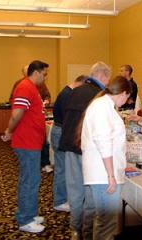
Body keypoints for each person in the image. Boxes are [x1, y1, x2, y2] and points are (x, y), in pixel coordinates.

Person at [59, 62, 111, 240]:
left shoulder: (75, 90)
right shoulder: (99, 95)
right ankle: (87, 231)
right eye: (108, 78)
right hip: (87, 149)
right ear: (103, 76)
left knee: (74, 190)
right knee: (90, 191)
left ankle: (75, 229)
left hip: (69, 145)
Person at [80, 76, 131, 240]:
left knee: (103, 221)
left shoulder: (104, 105)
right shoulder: (102, 107)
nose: (126, 101)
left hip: (102, 172)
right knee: (107, 223)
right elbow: (103, 142)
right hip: (103, 174)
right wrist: (110, 175)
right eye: (127, 97)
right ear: (123, 93)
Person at [2, 60, 49, 233]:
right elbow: (16, 114)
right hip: (27, 142)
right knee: (30, 180)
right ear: (36, 72)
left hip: (32, 142)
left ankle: (30, 213)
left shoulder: (31, 87)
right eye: (44, 74)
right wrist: (9, 130)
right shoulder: (24, 87)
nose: (45, 78)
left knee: (32, 179)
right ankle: (25, 220)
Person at [51, 75, 88, 213]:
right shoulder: (68, 95)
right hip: (61, 131)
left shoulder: (66, 92)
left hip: (59, 130)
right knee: (62, 168)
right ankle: (59, 201)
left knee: (63, 167)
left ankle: (61, 198)